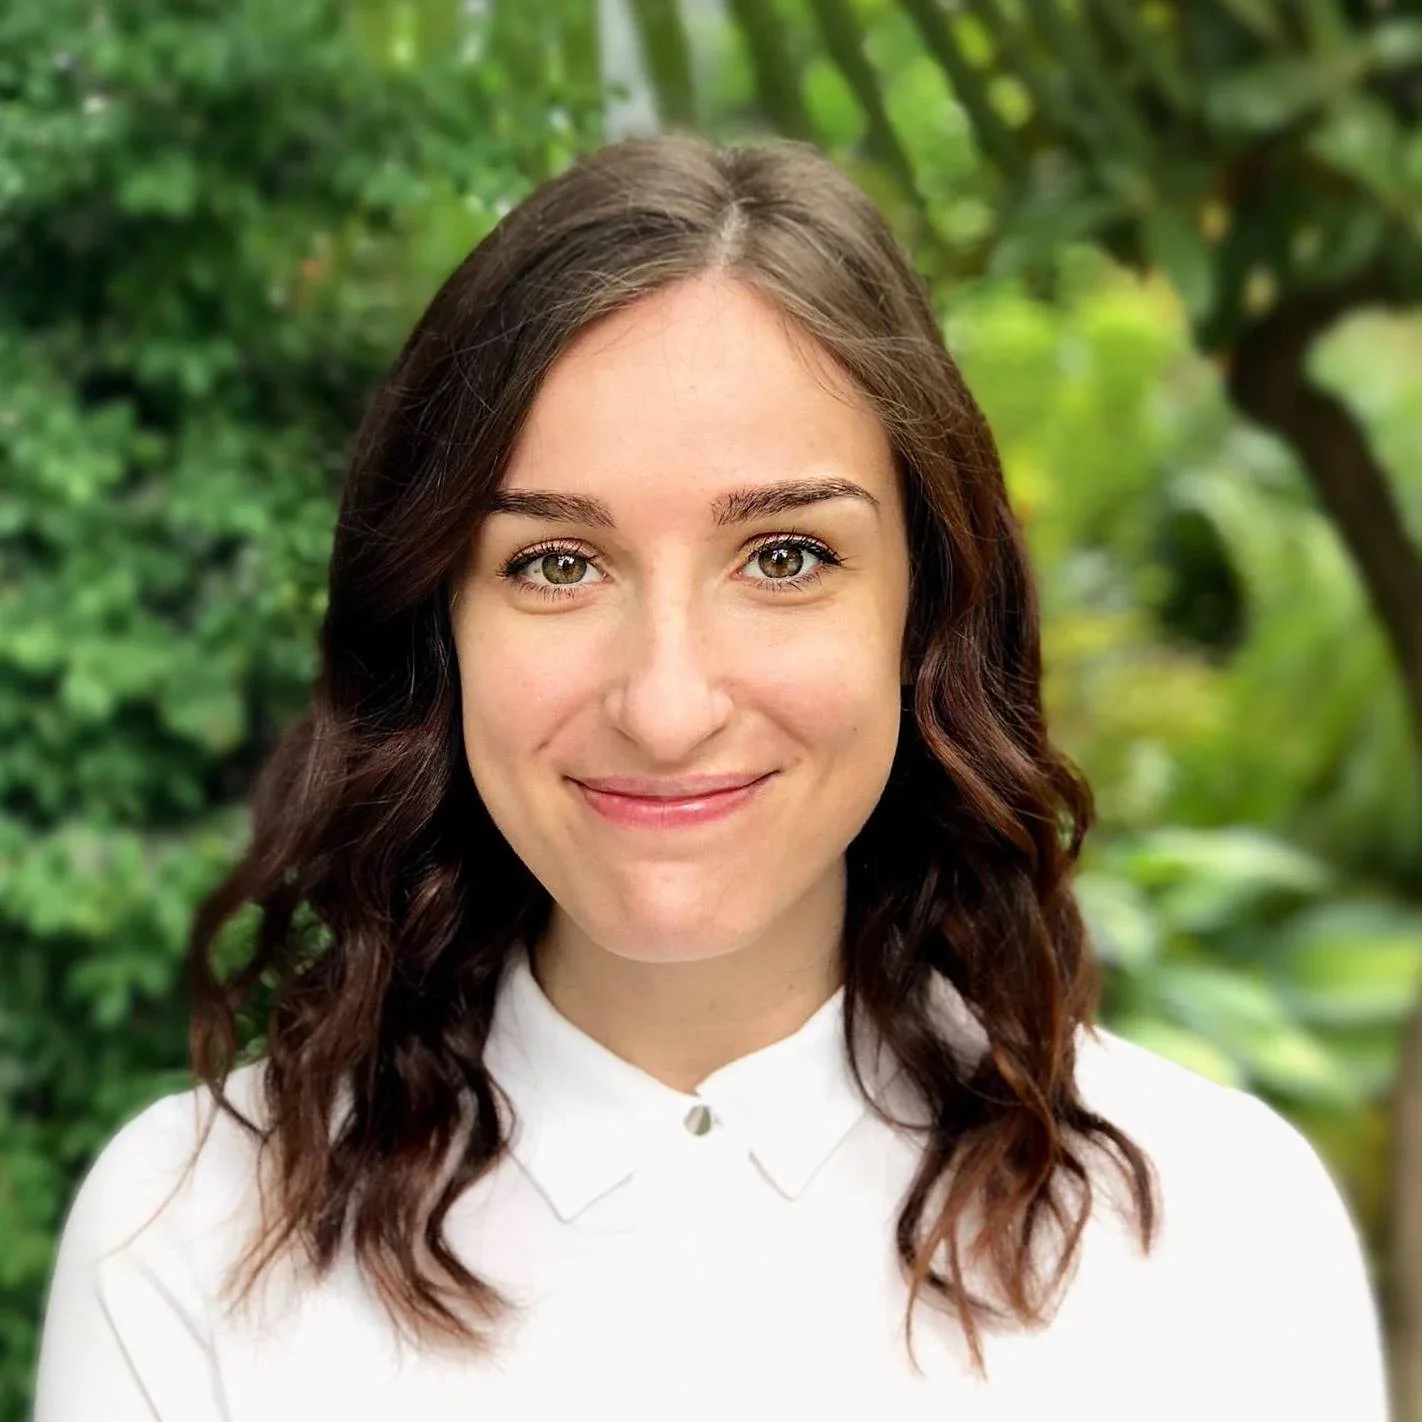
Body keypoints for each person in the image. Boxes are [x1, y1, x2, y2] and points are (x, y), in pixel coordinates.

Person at [33, 133, 1389, 1422]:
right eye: (554, 563)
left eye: (784, 556)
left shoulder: (1211, 1231)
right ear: (434, 621)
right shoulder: (193, 1235)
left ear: (922, 609)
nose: (667, 705)